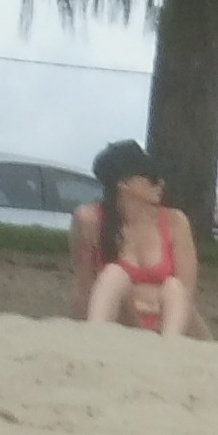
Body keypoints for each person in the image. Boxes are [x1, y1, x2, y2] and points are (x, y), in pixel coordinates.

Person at [72, 142, 201, 338]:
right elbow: (83, 288)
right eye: (152, 178)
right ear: (124, 184)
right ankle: (93, 339)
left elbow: (187, 294)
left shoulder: (175, 221)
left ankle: (171, 349)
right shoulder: (92, 220)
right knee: (113, 275)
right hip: (125, 322)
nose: (161, 184)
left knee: (174, 287)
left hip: (170, 324)